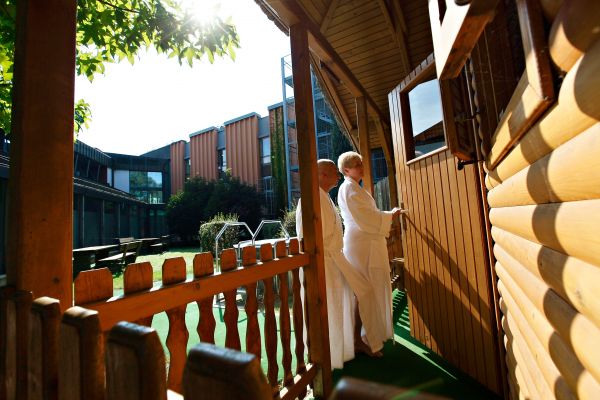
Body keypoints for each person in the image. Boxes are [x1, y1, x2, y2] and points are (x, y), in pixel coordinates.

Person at [295, 159, 386, 369]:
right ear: (321, 175)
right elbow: (306, 237)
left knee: (362, 292)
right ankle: (328, 356)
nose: (338, 175)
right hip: (324, 261)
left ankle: (355, 342)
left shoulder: (324, 196)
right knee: (330, 306)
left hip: (336, 257)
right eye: (334, 172)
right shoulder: (309, 199)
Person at [337, 151, 402, 350]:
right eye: (356, 165)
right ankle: (365, 339)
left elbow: (368, 216)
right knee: (366, 290)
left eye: (361, 164)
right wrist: (389, 215)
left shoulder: (355, 188)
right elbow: (366, 218)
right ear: (346, 170)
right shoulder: (349, 188)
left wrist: (386, 216)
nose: (361, 167)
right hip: (362, 244)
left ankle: (369, 335)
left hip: (365, 242)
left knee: (371, 289)